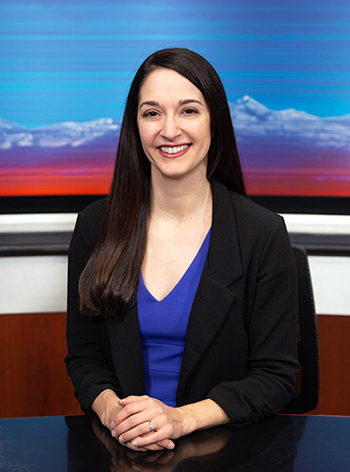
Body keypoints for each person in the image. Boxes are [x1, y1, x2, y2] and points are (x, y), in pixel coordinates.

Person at [65, 48, 299, 452]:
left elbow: (276, 376)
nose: (169, 130)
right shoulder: (95, 226)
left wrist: (179, 418)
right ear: (135, 126)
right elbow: (85, 358)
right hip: (123, 447)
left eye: (188, 110)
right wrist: (116, 415)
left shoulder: (263, 233)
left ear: (215, 123)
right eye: (152, 113)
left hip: (221, 450)